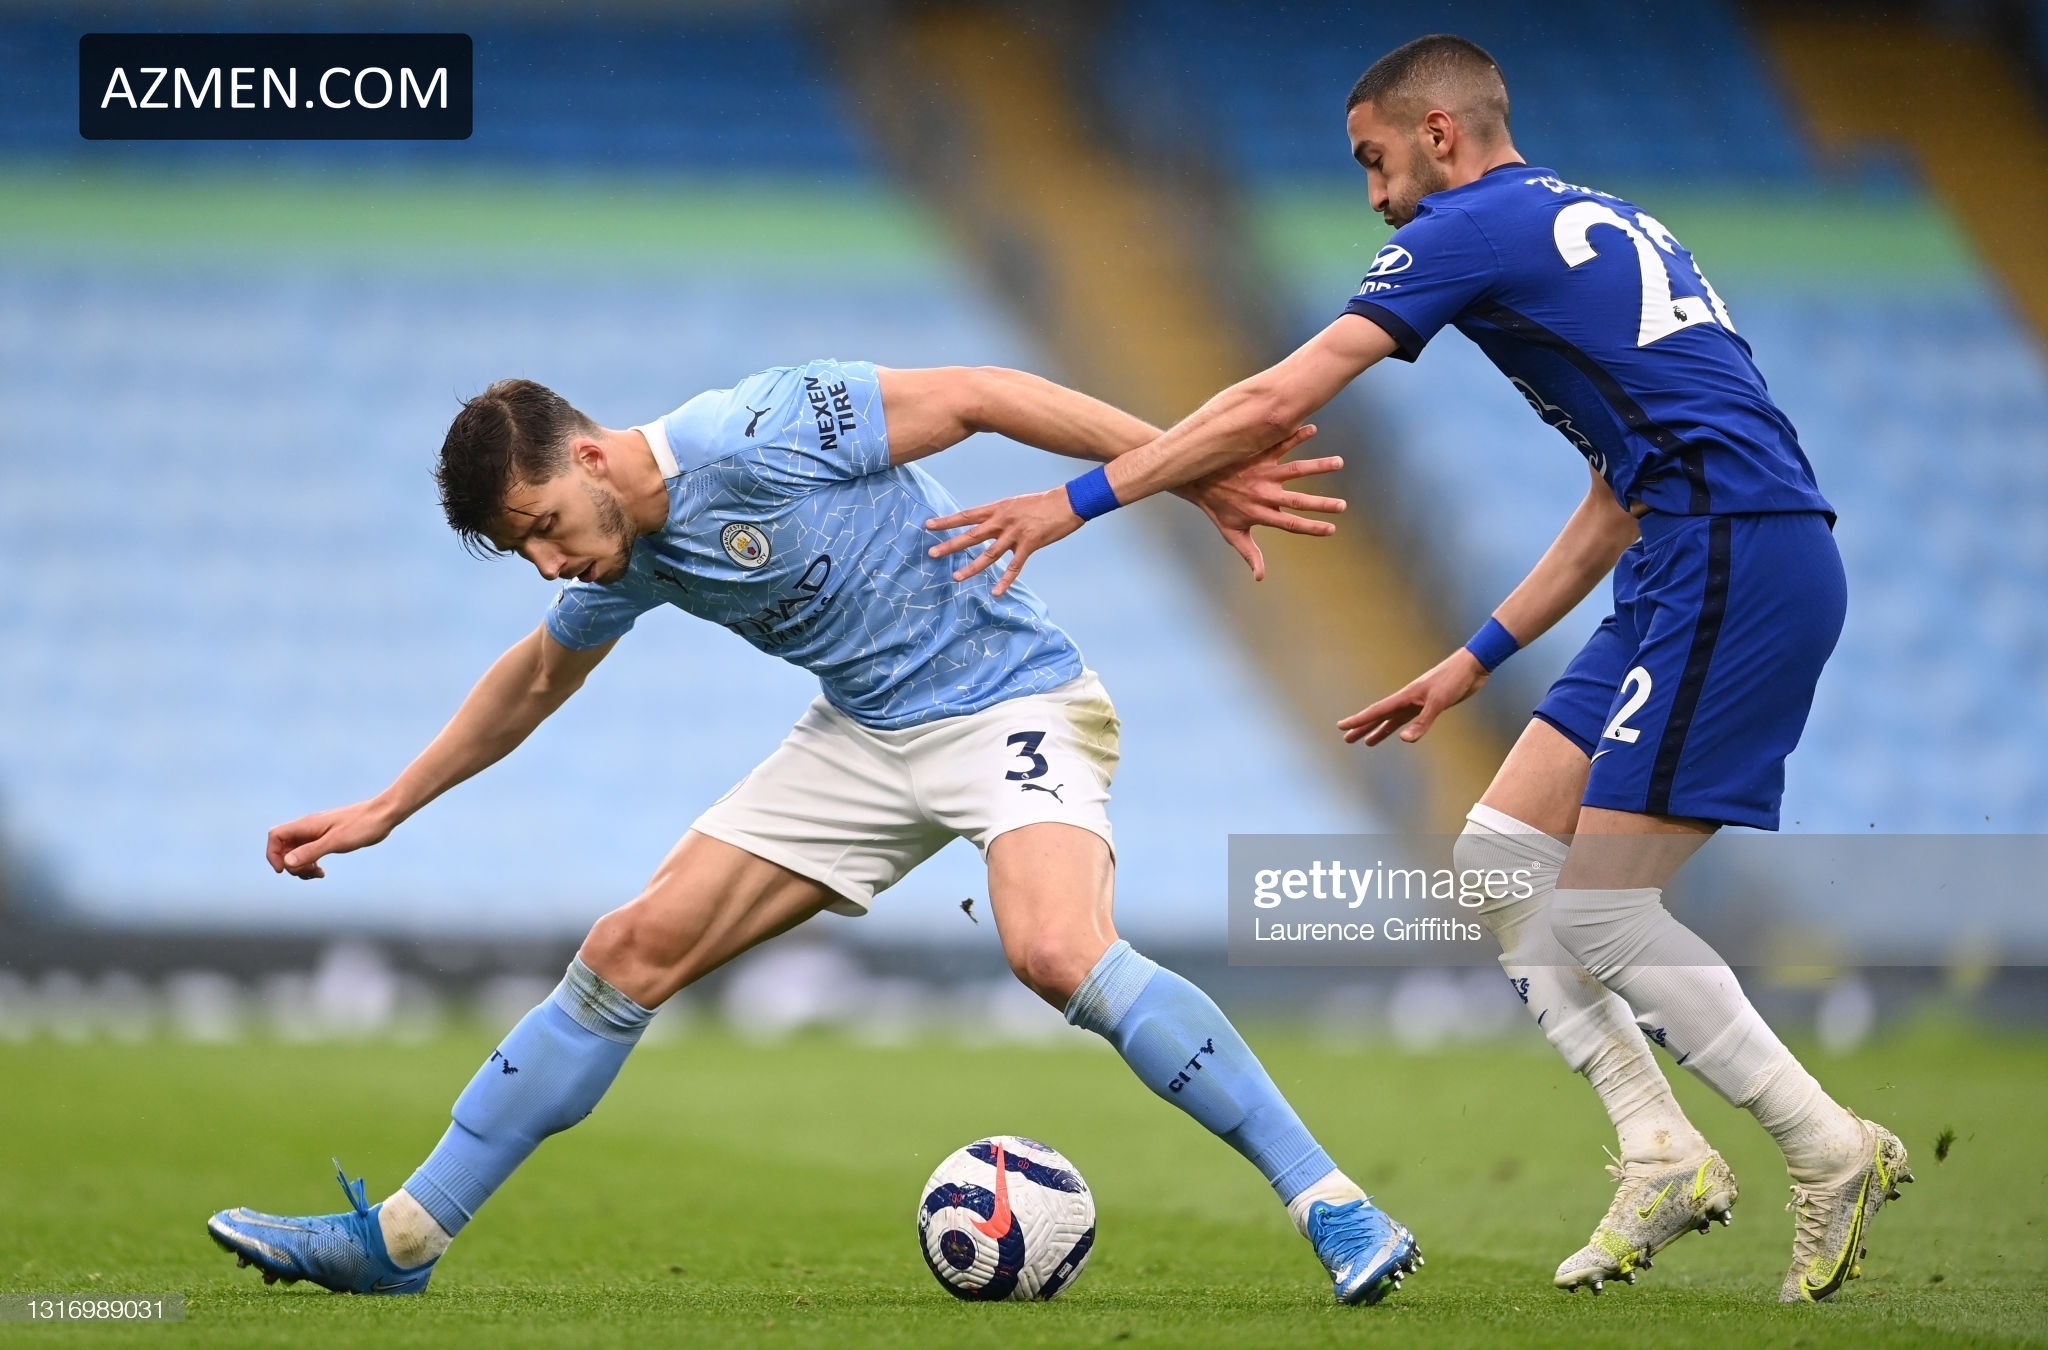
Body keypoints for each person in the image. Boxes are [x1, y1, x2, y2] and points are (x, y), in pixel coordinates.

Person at [926, 35, 1909, 1304]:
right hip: (1685, 551)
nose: (1374, 194)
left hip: (1734, 552)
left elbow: (1274, 401)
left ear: (1438, 133)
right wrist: (1472, 658)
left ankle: (1824, 1146)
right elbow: (1615, 495)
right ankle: (1659, 1150)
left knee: (1602, 913)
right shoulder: (1596, 219)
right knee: (1499, 859)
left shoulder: (1467, 228)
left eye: (1373, 159)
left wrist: (1075, 500)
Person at [204, 359, 1422, 1304]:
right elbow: (533, 678)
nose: (545, 562)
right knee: (627, 950)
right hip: (864, 735)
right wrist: (386, 807)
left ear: (588, 455)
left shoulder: (763, 426)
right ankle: (403, 1239)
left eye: (542, 525)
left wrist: (1180, 468)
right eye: (524, 545)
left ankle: (1331, 1203)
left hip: (1008, 698)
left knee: (1054, 950)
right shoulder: (621, 553)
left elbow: (979, 395)